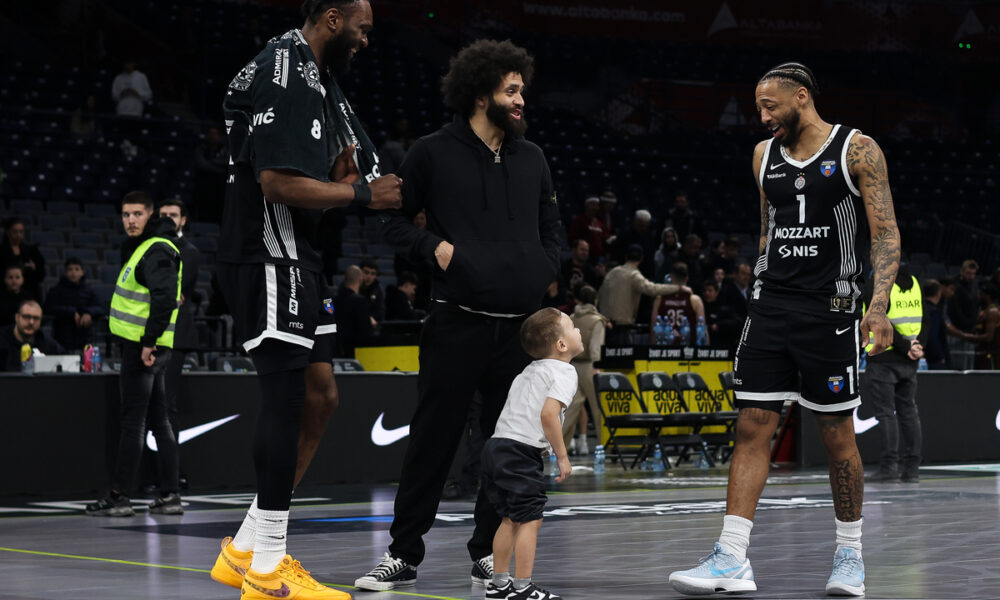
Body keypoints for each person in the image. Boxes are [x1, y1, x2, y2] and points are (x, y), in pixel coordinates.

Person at [669, 62, 900, 597]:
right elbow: (767, 229)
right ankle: (731, 557)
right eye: (758, 108)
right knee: (752, 425)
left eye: (770, 105)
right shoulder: (762, 155)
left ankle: (850, 558)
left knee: (837, 435)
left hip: (830, 311)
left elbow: (885, 234)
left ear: (801, 97)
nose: (763, 116)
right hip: (770, 309)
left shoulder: (857, 149)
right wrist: (760, 285)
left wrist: (878, 305)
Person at [209, 1, 401, 598]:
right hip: (270, 254)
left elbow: (330, 172)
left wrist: (342, 180)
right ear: (333, 19)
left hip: (301, 255)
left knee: (321, 396)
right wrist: (359, 194)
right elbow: (277, 182)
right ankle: (268, 569)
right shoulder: (288, 69)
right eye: (362, 29)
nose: (366, 40)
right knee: (287, 398)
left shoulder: (316, 76)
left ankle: (244, 549)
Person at [357, 39, 561, 591]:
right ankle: (403, 553)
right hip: (456, 321)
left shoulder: (532, 157)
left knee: (507, 446)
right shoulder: (431, 152)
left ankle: (487, 553)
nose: (521, 101)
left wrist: (545, 265)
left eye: (522, 90)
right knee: (433, 440)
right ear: (480, 94)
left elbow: (551, 228)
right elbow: (393, 223)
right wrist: (436, 250)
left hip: (518, 331)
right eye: (512, 90)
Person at [86, 191, 183, 517]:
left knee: (133, 422)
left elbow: (166, 296)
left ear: (150, 214)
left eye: (137, 214)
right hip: (150, 346)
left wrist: (148, 341)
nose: (130, 220)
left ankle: (120, 497)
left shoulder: (155, 248)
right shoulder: (147, 246)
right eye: (126, 214)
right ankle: (170, 495)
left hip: (144, 348)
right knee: (159, 421)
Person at [481, 307, 582, 600]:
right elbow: (549, 415)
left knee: (509, 519)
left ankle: (499, 584)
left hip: (495, 448)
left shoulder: (528, 371)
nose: (579, 330)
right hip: (520, 452)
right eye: (573, 327)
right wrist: (562, 455)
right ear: (561, 345)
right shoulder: (564, 371)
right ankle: (523, 587)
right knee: (530, 520)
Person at [861, 264, 926, 483]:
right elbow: (925, 318)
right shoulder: (915, 283)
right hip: (909, 360)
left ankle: (889, 468)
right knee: (909, 412)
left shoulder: (876, 284)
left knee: (887, 413)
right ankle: (912, 470)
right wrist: (918, 347)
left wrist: (906, 347)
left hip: (883, 357)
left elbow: (880, 320)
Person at [157, 199, 200, 474]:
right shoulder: (151, 246)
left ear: (183, 220)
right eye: (163, 214)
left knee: (166, 403)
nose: (167, 219)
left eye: (173, 215)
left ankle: (171, 475)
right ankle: (154, 474)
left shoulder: (189, 252)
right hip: (152, 332)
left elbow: (174, 291)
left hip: (176, 334)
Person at [596, 244, 688, 345]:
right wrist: (678, 288)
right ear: (641, 259)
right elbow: (652, 289)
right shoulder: (634, 275)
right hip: (620, 329)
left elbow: (599, 296)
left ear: (626, 257)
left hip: (603, 327)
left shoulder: (611, 273)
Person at [562, 285, 608, 455]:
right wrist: (598, 368)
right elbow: (596, 348)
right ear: (595, 300)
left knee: (570, 410)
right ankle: (604, 446)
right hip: (590, 366)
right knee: (598, 409)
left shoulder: (572, 318)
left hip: (573, 366)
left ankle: (560, 447)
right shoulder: (597, 321)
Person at [43, 258, 104, 351]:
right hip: (62, 335)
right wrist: (71, 312)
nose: (73, 272)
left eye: (76, 269)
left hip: (85, 335)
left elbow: (100, 308)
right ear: (65, 272)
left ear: (82, 272)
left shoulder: (89, 291)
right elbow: (48, 308)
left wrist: (89, 313)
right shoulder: (56, 290)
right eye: (70, 269)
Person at [0, 300, 66, 372]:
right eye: (26, 317)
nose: (31, 322)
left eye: (36, 318)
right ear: (17, 317)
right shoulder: (2, 339)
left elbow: (67, 360)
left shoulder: (48, 344)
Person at [650, 262, 706, 346]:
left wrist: (653, 349)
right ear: (687, 278)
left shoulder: (659, 299)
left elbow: (653, 328)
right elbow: (702, 329)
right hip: (689, 349)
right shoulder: (695, 300)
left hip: (665, 349)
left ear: (671, 278)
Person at [333, 265, 375, 357]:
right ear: (360, 280)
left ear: (345, 279)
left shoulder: (333, 299)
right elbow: (366, 332)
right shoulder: (360, 301)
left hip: (335, 348)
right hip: (354, 351)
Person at [1, 217, 46, 300]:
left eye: (21, 232)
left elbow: (41, 274)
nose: (18, 235)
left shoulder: (31, 251)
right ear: (8, 232)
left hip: (28, 290)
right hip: (5, 292)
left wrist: (34, 268)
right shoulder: (2, 251)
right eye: (15, 232)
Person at [948, 259, 980, 369]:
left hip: (970, 331)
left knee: (968, 364)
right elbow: (954, 310)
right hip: (957, 331)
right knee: (957, 364)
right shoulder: (954, 286)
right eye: (968, 273)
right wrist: (965, 328)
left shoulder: (973, 286)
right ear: (962, 271)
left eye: (973, 274)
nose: (971, 276)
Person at [194, 127, 229, 222]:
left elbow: (228, 163)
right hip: (203, 187)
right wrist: (220, 166)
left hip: (221, 188)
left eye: (215, 133)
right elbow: (202, 165)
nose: (213, 136)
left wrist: (211, 162)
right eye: (211, 133)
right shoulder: (200, 149)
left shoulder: (225, 150)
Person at [964, 283, 1000, 370]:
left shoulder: (992, 312)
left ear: (987, 296)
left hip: (991, 356)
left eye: (981, 294)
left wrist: (965, 336)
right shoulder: (983, 312)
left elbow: (989, 337)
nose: (978, 296)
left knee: (989, 378)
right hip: (981, 354)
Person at [701, 280, 741, 351]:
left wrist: (719, 325)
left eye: (710, 291)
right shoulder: (701, 307)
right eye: (705, 291)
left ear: (716, 293)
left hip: (722, 345)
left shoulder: (724, 308)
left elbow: (737, 322)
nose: (707, 293)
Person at [920, 279, 951, 370]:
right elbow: (932, 336)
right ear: (938, 293)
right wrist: (940, 356)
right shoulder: (934, 312)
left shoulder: (919, 309)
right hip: (933, 360)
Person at [359, 256, 386, 324]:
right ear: (360, 272)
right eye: (366, 272)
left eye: (373, 274)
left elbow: (380, 312)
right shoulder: (353, 285)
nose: (369, 276)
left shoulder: (378, 289)